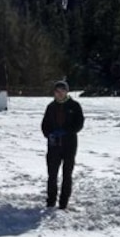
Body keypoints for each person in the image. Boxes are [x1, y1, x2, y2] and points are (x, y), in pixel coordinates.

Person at [41, 80, 85, 210]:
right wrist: (49, 134)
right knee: (52, 174)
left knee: (67, 174)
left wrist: (66, 131)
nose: (59, 94)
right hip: (53, 146)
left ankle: (63, 202)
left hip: (69, 145)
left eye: (62, 91)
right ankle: (50, 201)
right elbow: (44, 125)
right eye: (57, 91)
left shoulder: (74, 105)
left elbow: (79, 124)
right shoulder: (51, 107)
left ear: (67, 92)